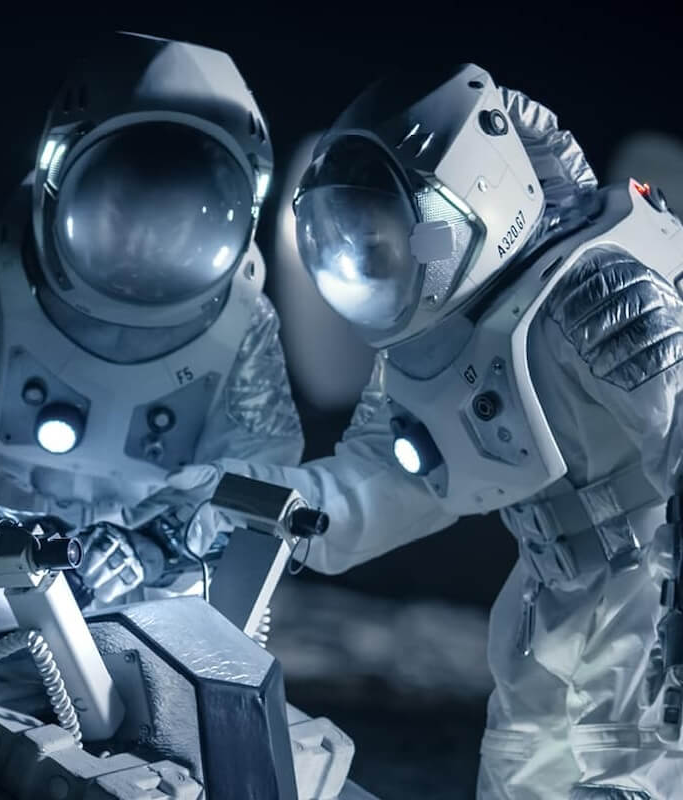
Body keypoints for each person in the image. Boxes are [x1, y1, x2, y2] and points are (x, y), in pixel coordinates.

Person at [149, 65, 683, 798]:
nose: (374, 258)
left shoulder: (602, 294)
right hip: (546, 623)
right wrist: (218, 497)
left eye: (386, 234)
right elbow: (374, 490)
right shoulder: (426, 350)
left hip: (650, 618)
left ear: (475, 197)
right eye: (359, 239)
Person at [0, 31, 302, 638]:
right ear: (59, 171)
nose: (146, 246)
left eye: (179, 216)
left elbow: (259, 491)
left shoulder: (242, 324)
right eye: (127, 204)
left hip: (159, 633)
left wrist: (153, 546)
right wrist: (2, 537)